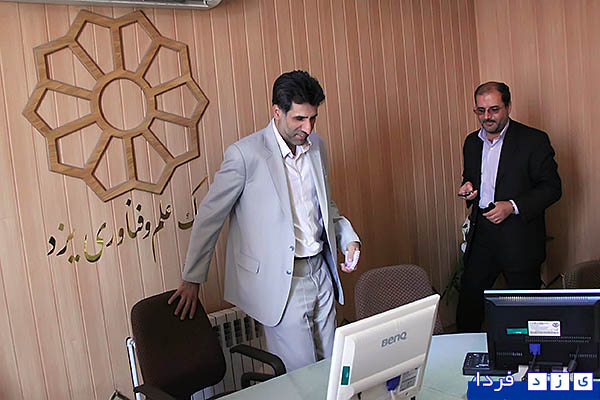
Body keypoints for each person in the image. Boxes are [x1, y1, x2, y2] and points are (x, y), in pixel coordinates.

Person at [168, 70, 361, 371]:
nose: (308, 127)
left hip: (321, 271)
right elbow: (210, 216)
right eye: (299, 119)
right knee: (302, 378)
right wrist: (192, 277)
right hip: (281, 282)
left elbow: (325, 206)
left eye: (313, 118)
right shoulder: (245, 155)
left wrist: (347, 239)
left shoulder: (317, 147)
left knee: (334, 369)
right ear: (277, 112)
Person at [456, 81, 561, 332]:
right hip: (482, 233)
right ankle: (465, 352)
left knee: (525, 312)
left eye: (494, 109)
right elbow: (471, 177)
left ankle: (526, 355)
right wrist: (468, 188)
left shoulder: (533, 140)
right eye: (480, 111)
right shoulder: (472, 142)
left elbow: (552, 188)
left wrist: (512, 206)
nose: (487, 117)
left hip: (519, 236)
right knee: (469, 305)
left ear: (508, 107)